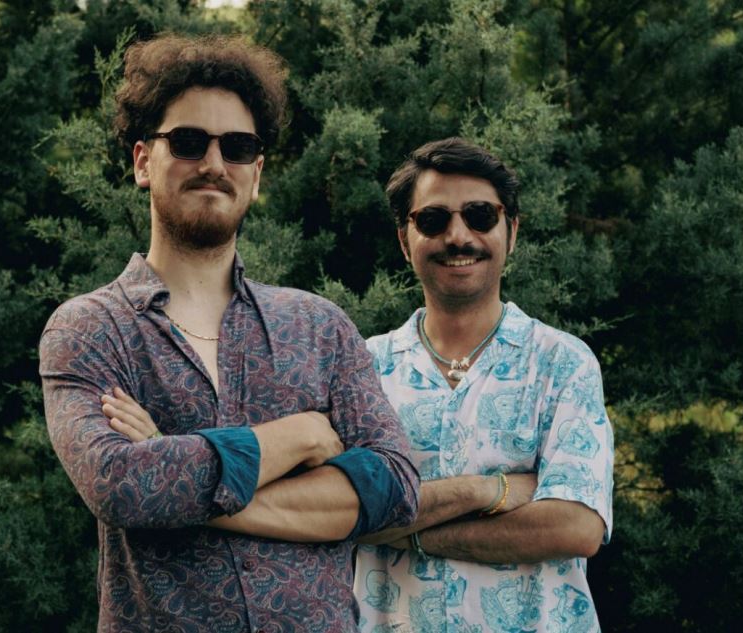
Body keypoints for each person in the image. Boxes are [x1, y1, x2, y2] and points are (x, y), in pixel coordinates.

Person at [39, 34, 419, 632]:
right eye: (189, 142)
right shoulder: (91, 329)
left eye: (238, 147)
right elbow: (120, 484)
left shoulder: (319, 327)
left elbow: (395, 486)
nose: (214, 164)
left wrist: (171, 455)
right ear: (143, 161)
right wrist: (299, 437)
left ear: (256, 173)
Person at [353, 138, 614, 632]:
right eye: (433, 220)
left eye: (480, 215)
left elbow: (576, 526)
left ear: (511, 231)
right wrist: (490, 490)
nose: (458, 236)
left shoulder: (562, 363)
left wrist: (408, 532)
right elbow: (339, 512)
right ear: (405, 241)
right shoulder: (363, 368)